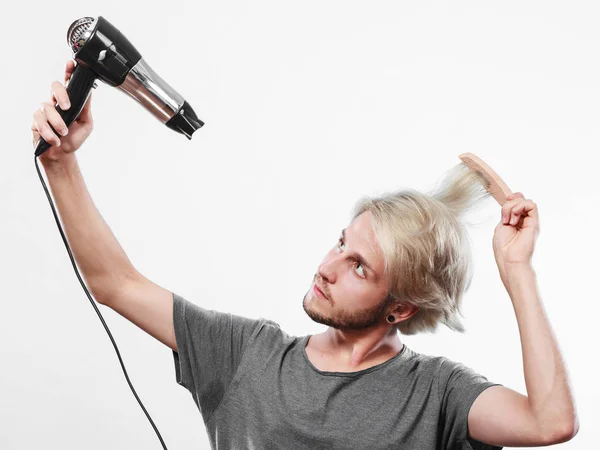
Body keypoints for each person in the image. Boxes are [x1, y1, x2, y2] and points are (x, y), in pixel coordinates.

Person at [32, 60, 579, 449]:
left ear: (401, 308)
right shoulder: (245, 353)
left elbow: (549, 422)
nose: (327, 266)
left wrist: (517, 271)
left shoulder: (437, 394)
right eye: (342, 243)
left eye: (359, 266)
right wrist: (60, 164)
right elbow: (115, 282)